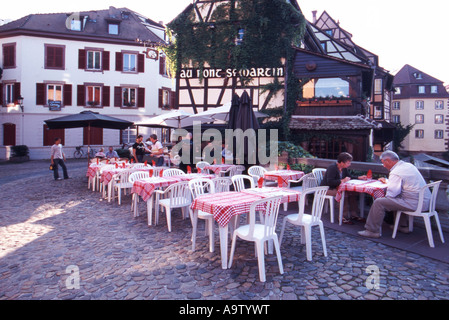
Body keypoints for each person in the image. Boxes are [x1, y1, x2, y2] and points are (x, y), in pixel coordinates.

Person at [358, 151, 430, 238]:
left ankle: (372, 231)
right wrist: (389, 182)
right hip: (424, 201)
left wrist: (388, 189)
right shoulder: (408, 165)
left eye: (383, 163)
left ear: (388, 160)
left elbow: (391, 194)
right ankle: (402, 226)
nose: (384, 166)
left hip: (415, 204)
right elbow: (402, 185)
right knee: (400, 197)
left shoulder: (396, 172)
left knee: (379, 202)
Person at [320, 152, 367, 224]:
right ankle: (342, 217)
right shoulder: (332, 168)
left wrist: (359, 177)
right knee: (343, 194)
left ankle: (354, 214)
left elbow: (349, 177)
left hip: (337, 187)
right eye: (348, 163)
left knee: (352, 193)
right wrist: (342, 180)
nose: (349, 164)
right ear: (342, 162)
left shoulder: (344, 168)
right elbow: (330, 182)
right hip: (327, 189)